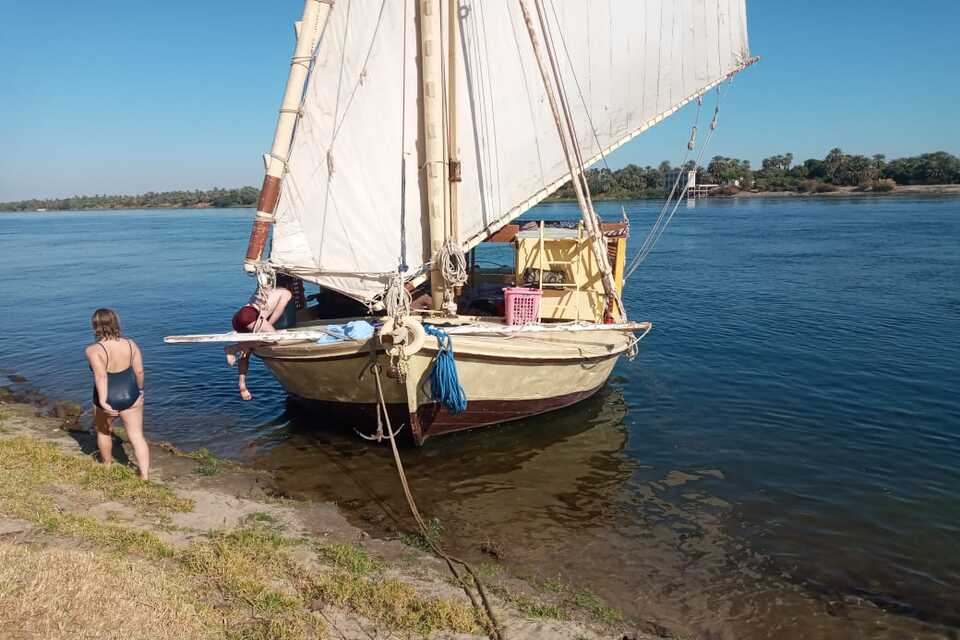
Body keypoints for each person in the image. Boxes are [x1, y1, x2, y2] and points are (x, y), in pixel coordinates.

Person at [84, 308, 149, 480]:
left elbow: (101, 376)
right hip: (131, 395)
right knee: (137, 436)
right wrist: (140, 391)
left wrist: (104, 402)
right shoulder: (131, 344)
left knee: (104, 432)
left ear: (95, 326)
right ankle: (144, 475)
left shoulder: (93, 350)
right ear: (116, 323)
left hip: (107, 397)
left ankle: (107, 465)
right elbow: (140, 372)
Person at [224, 282, 292, 400]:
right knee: (273, 339)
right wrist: (268, 329)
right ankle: (233, 348)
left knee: (245, 353)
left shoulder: (265, 290)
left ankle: (242, 384)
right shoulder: (286, 293)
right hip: (250, 316)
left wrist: (262, 329)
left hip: (240, 315)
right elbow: (278, 311)